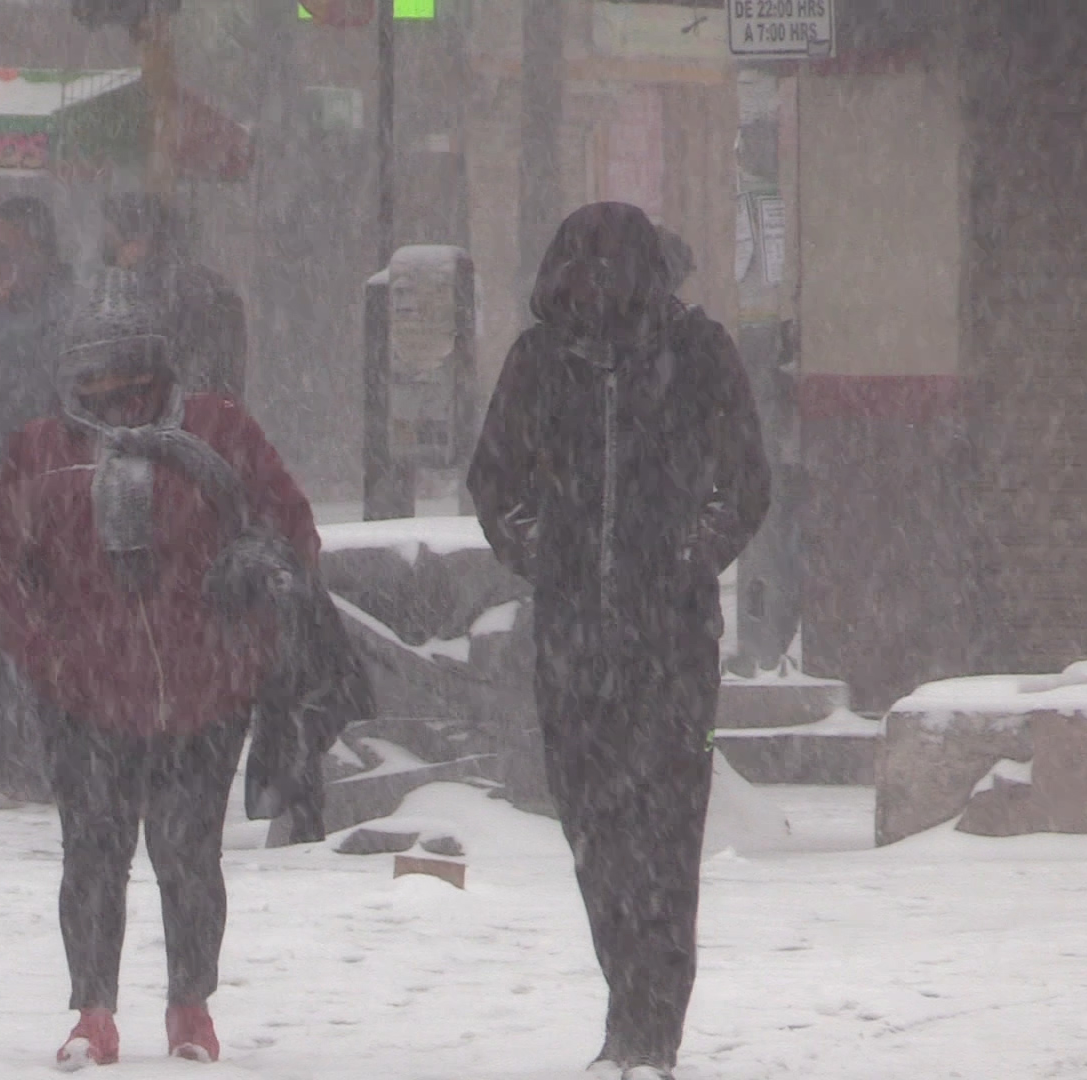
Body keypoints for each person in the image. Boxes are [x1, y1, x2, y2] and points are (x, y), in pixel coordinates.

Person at [0, 269, 319, 1068]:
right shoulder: (40, 449)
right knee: (93, 853)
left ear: (160, 371)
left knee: (189, 852)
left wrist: (252, 594)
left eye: (129, 376)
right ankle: (94, 1011)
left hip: (205, 688)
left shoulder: (219, 432)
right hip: (85, 694)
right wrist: (47, 654)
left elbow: (290, 528)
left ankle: (190, 1007)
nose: (113, 395)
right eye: (94, 378)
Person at [465, 203, 770, 1080]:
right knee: (594, 834)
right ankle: (622, 1010)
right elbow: (495, 478)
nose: (589, 289)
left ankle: (653, 1035)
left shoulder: (698, 356)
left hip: (671, 645)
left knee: (666, 840)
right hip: (571, 640)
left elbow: (747, 481)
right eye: (577, 271)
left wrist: (691, 554)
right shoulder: (539, 363)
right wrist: (537, 550)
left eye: (605, 272)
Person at [0, 195, 76, 804]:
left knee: (35, 634)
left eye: (3, 253)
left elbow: (48, 404)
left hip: (42, 503)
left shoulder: (61, 321)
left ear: (38, 255)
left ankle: (34, 754)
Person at [99, 192, 248, 401]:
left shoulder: (148, 296)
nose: (112, 258)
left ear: (140, 242)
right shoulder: (213, 288)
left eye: (113, 243)